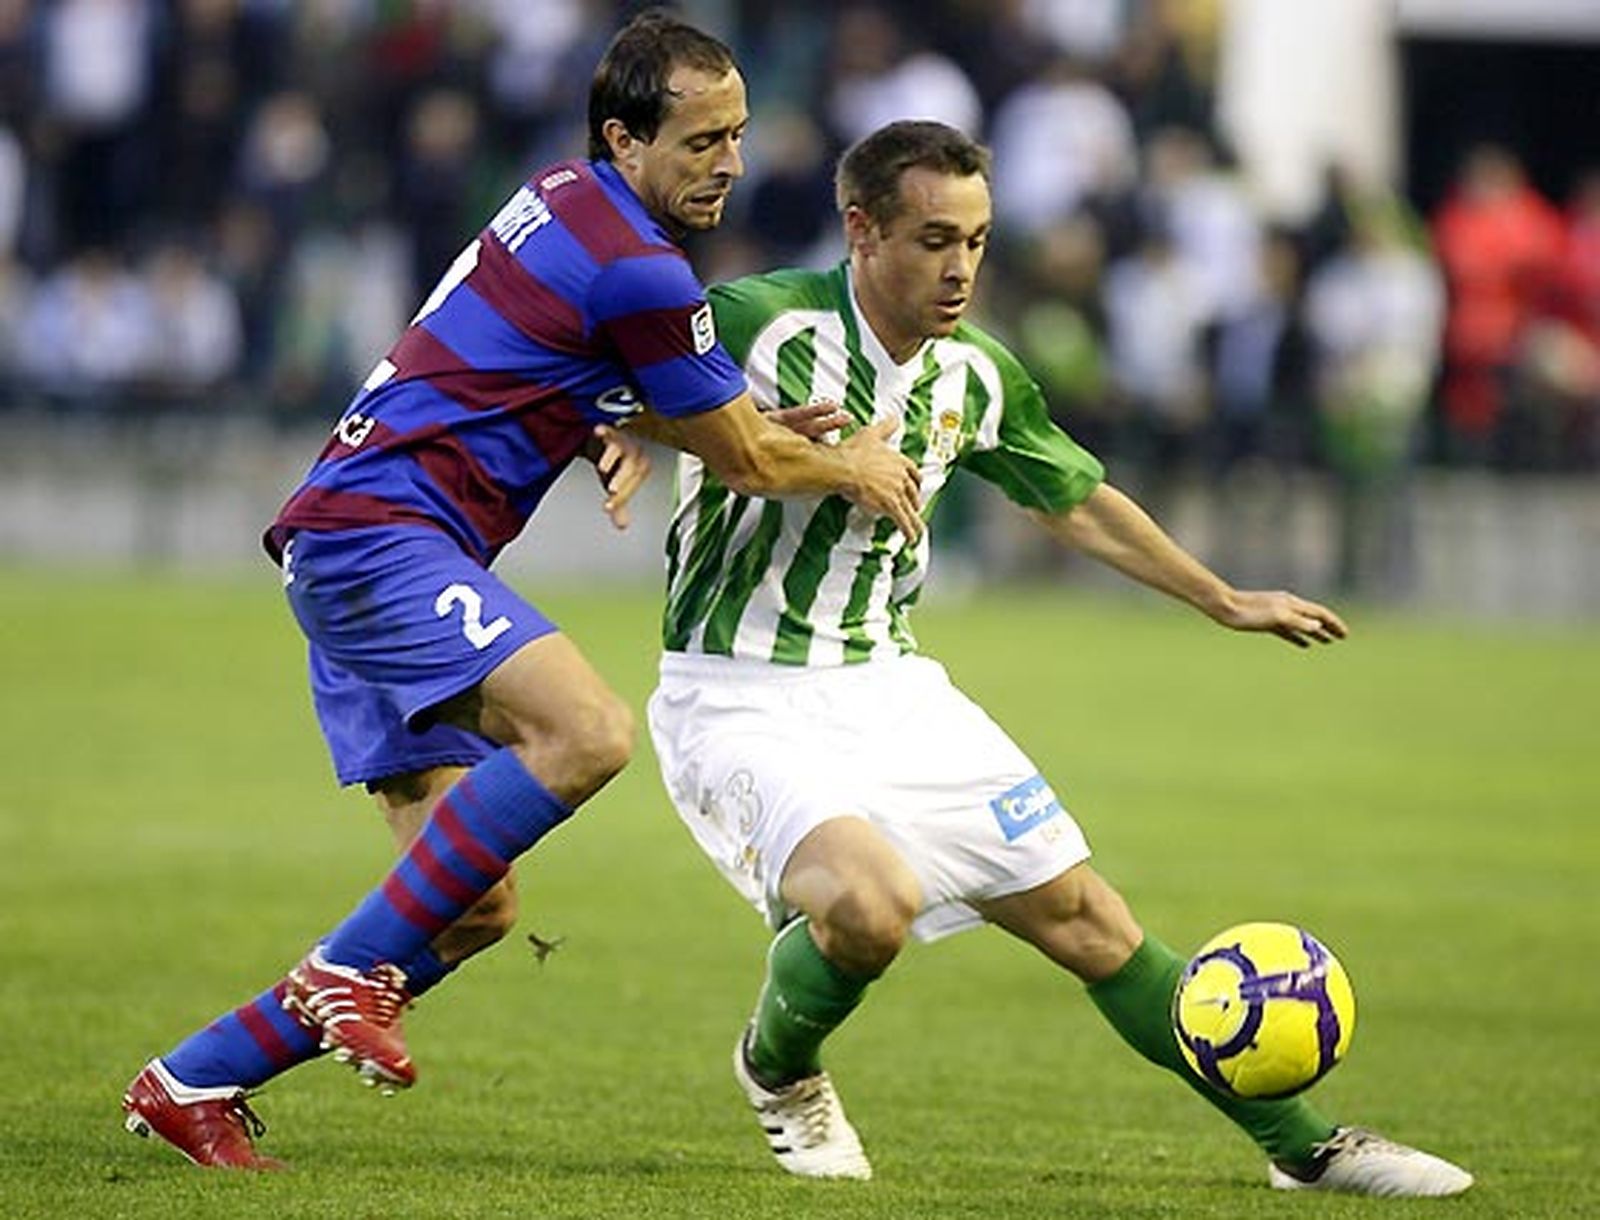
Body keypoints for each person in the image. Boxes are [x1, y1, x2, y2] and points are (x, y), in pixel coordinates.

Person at [120, 10, 922, 1171]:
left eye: (738, 135)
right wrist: (850, 464)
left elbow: (571, 370)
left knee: (472, 907)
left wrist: (667, 424)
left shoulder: (563, 197)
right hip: (381, 541)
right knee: (586, 731)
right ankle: (344, 972)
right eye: (703, 141)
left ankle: (193, 1078)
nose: (730, 163)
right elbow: (746, 456)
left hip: (351, 542)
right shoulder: (640, 265)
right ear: (624, 138)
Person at [645, 120, 1473, 1198]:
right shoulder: (759, 320)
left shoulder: (976, 374)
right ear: (862, 230)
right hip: (736, 691)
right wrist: (693, 436)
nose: (961, 268)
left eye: (977, 241)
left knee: (1089, 919)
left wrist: (1222, 598)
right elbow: (601, 387)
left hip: (888, 685)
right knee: (870, 907)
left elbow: (1075, 501)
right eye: (935, 239)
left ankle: (1305, 1147)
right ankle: (779, 1067)